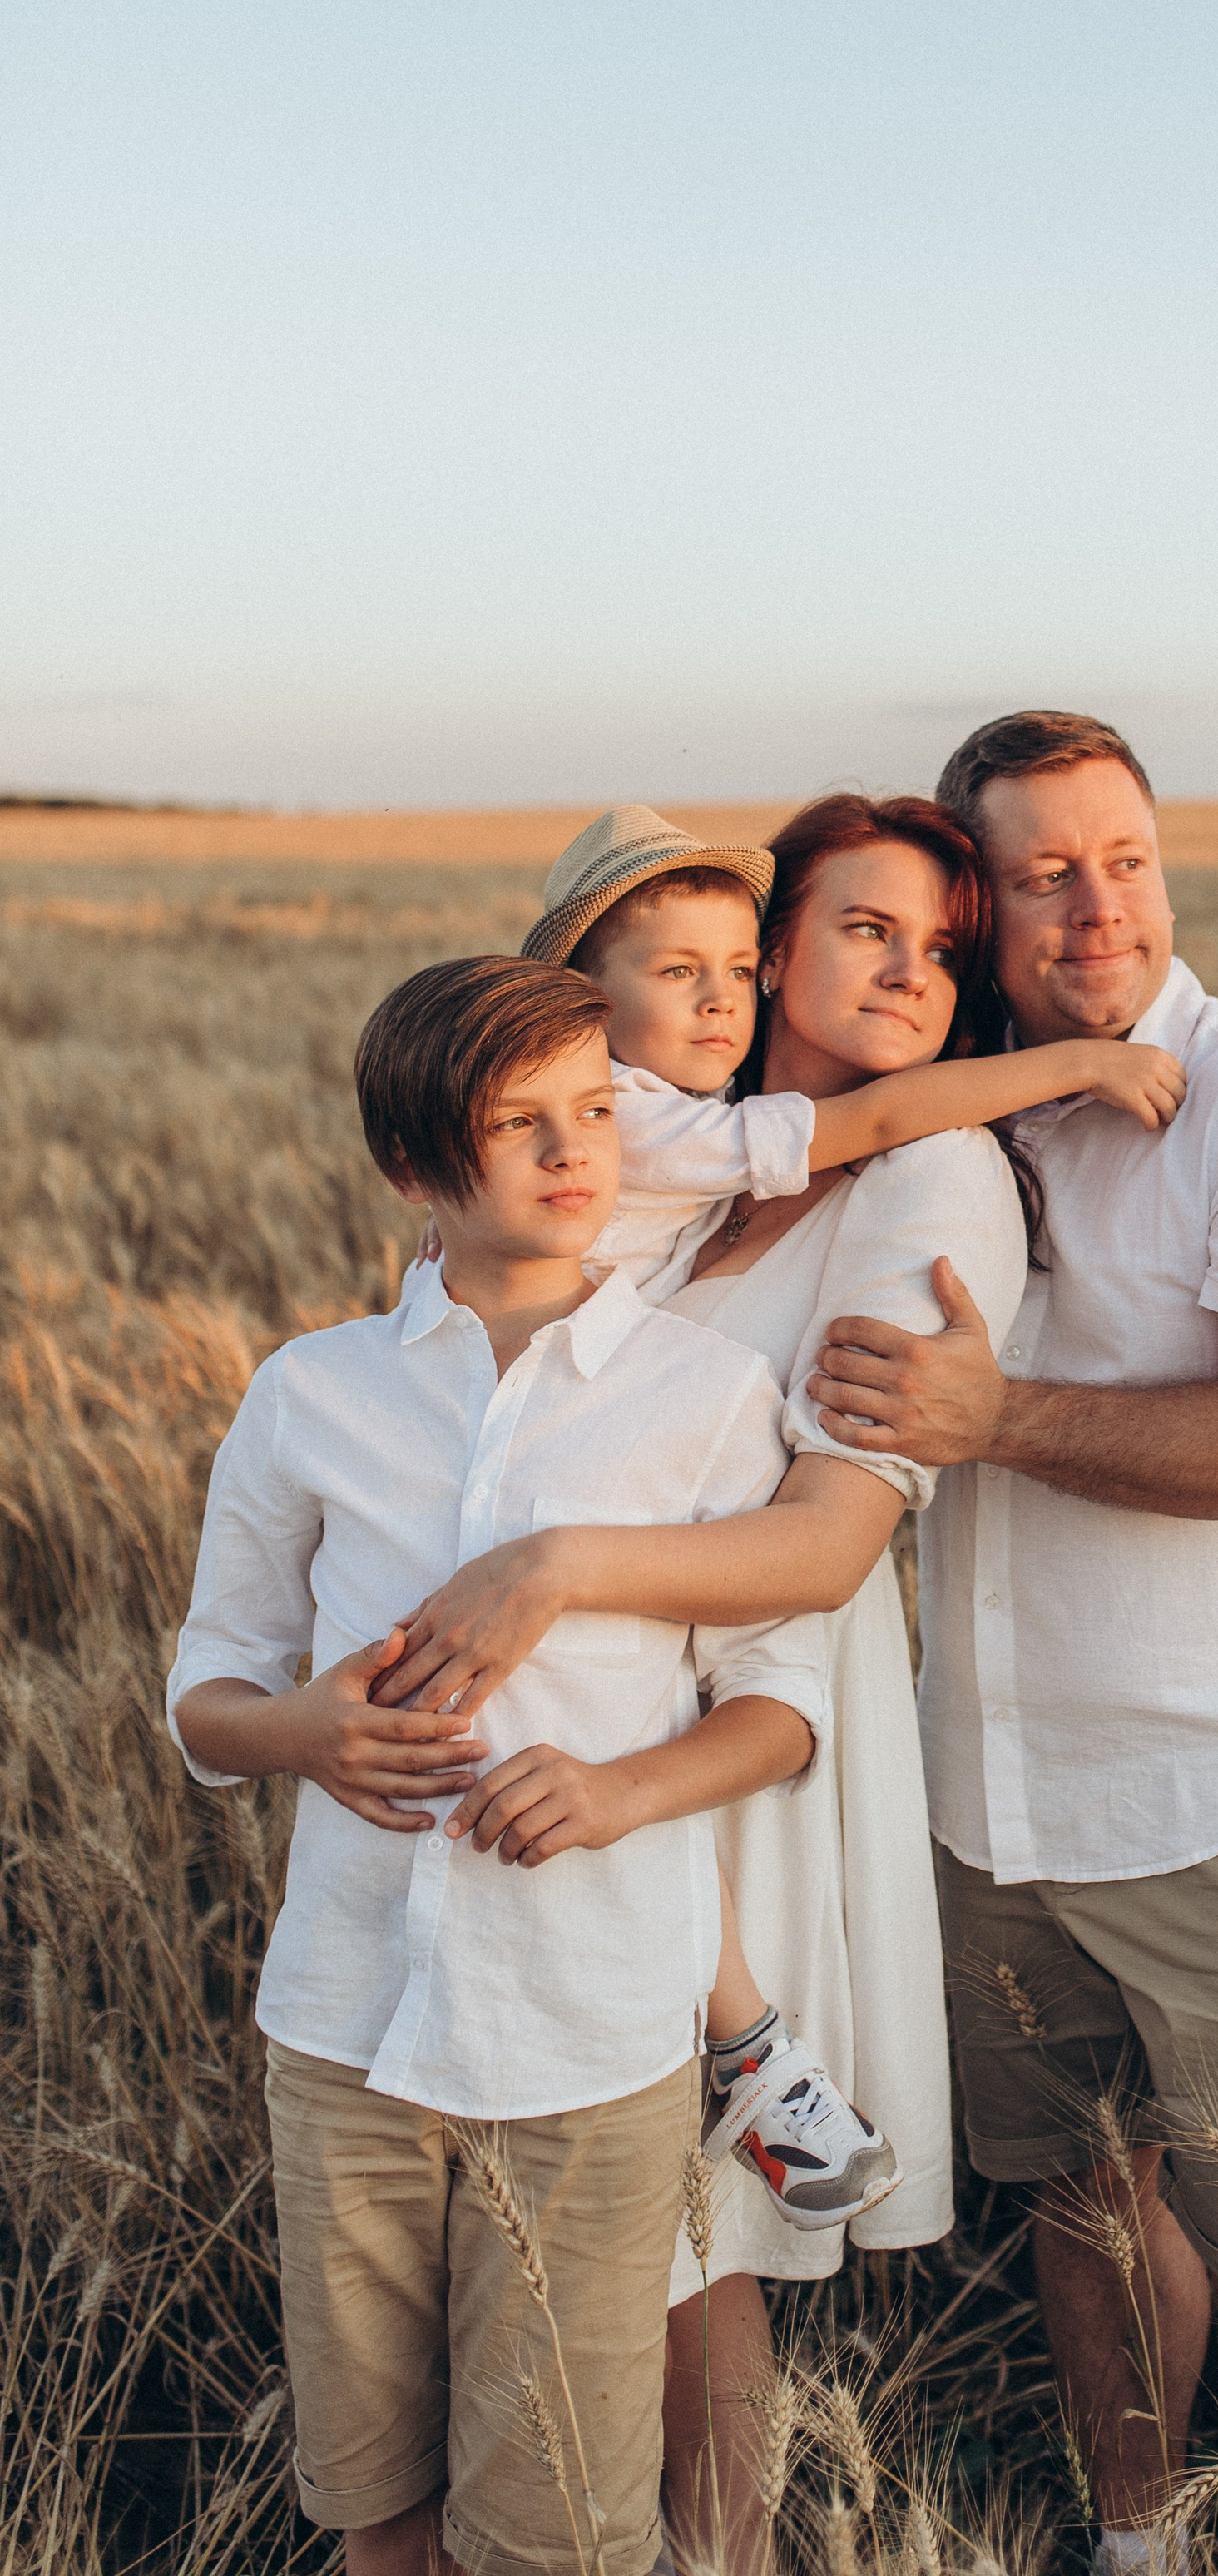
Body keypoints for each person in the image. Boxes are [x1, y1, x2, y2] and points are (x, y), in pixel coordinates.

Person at [373, 793, 1187, 2576]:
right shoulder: (656, 1156)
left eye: (942, 950)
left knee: (681, 2219)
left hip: (742, 1730)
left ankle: (711, 2549)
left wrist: (557, 1564)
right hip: (577, 1701)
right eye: (860, 932)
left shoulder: (921, 1175)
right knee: (618, 2210)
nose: (907, 973)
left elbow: (823, 1545)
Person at [803, 711, 1218, 2576]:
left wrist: (998, 1421)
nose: (1096, 905)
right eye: (1044, 872)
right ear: (978, 905)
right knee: (1079, 2191)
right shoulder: (964, 1105)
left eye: (1123, 857)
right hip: (988, 1791)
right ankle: (1142, 2546)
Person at [166, 955, 833, 2576]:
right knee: (373, 2506)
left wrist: (617, 1794)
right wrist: (303, 1733)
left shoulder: (705, 1397)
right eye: (515, 1121)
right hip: (343, 2036)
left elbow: (780, 1705)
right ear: (411, 1166)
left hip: (590, 2046)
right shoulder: (310, 1392)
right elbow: (206, 1693)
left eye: (592, 1109)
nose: (571, 1150)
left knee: (554, 2532)